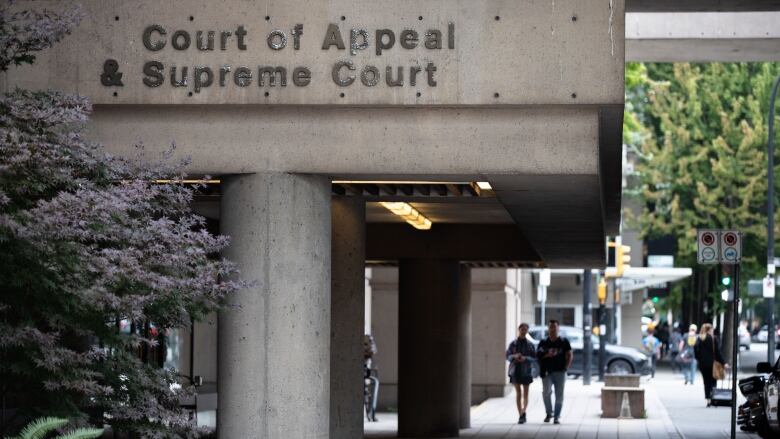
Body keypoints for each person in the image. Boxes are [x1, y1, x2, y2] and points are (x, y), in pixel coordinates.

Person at [536, 319, 572, 424]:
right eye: (551, 327)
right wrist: (548, 354)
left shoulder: (564, 342)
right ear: (548, 328)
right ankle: (549, 413)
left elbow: (570, 354)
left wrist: (566, 368)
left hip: (560, 371)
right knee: (546, 392)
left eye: (554, 327)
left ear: (558, 328)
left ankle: (556, 416)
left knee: (559, 394)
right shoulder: (543, 342)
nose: (552, 329)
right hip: (546, 372)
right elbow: (538, 355)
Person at [506, 323, 537, 424]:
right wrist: (514, 356)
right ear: (519, 330)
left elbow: (534, 358)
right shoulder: (513, 344)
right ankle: (521, 414)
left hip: (526, 371)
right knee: (518, 393)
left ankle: (524, 411)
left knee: (526, 394)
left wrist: (525, 358)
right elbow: (507, 356)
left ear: (527, 331)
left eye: (525, 329)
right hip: (515, 370)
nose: (523, 331)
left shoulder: (530, 344)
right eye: (522, 329)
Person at [694, 323, 727, 407]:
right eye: (712, 329)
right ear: (709, 330)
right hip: (712, 364)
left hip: (702, 364)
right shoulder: (713, 338)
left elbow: (696, 351)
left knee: (706, 382)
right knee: (713, 381)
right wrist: (724, 363)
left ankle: (708, 399)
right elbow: (717, 352)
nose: (713, 331)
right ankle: (713, 399)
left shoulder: (699, 338)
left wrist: (699, 359)